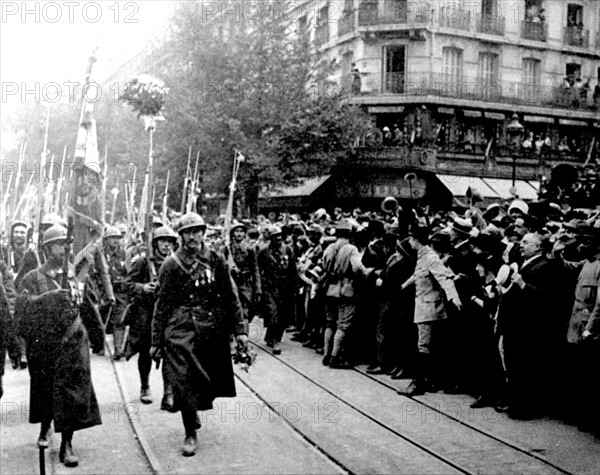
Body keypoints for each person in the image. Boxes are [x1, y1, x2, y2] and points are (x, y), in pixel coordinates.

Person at [150, 213, 248, 457]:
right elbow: (161, 305)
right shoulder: (171, 264)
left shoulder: (215, 259)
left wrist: (240, 331)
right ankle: (189, 433)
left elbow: (230, 295)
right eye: (187, 232)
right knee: (183, 381)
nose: (192, 237)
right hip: (179, 329)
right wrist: (155, 340)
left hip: (208, 328)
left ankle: (193, 411)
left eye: (196, 231)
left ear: (203, 233)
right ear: (180, 236)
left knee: (205, 380)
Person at [16, 224, 102, 467]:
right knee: (46, 390)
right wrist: (45, 300)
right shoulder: (32, 278)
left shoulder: (74, 276)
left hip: (74, 341)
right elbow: (21, 313)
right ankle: (45, 427)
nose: (64, 249)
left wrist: (97, 336)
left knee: (72, 393)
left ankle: (67, 443)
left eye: (67, 244)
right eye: (57, 244)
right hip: (45, 345)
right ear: (45, 249)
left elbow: (86, 304)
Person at [124, 226, 178, 408]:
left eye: (170, 242)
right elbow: (127, 285)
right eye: (163, 241)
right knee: (146, 352)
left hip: (168, 315)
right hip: (147, 316)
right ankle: (145, 386)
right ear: (155, 243)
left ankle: (168, 393)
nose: (166, 245)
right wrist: (143, 288)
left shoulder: (175, 262)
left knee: (170, 354)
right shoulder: (143, 262)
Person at [258, 225, 297, 355]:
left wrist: (294, 285)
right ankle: (275, 342)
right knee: (272, 312)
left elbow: (293, 268)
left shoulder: (288, 250)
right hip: (269, 286)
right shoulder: (264, 252)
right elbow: (258, 270)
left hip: (284, 287)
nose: (278, 239)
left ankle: (272, 336)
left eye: (280, 236)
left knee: (282, 314)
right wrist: (259, 286)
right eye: (275, 237)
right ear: (270, 238)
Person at [223, 222, 262, 326]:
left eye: (241, 231)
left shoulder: (250, 249)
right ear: (232, 234)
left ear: (245, 234)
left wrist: (258, 288)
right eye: (237, 231)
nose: (239, 234)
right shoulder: (227, 248)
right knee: (232, 310)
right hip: (231, 283)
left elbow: (255, 269)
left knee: (246, 312)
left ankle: (244, 337)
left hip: (245, 284)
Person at [102, 226, 129, 360]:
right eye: (112, 238)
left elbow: (130, 274)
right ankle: (99, 344)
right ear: (106, 240)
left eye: (118, 238)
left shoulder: (125, 255)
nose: (115, 241)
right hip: (103, 292)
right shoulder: (101, 255)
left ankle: (118, 348)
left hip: (120, 292)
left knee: (119, 319)